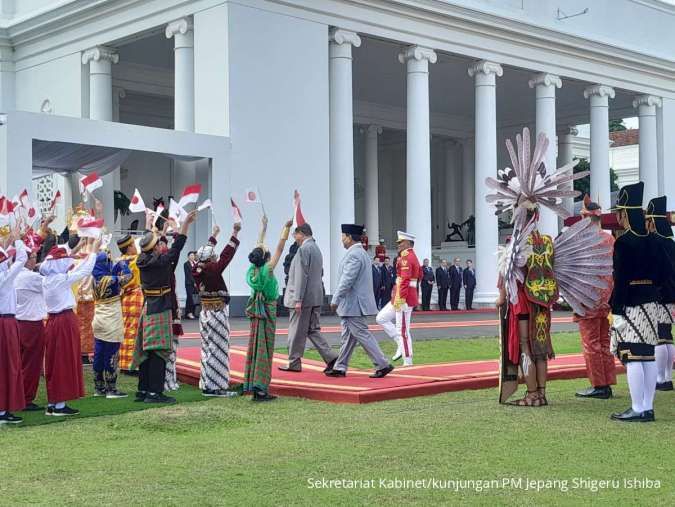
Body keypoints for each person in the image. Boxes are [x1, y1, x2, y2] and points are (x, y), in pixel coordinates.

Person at [609, 182, 663, 422]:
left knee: (631, 356)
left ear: (624, 213)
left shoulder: (624, 242)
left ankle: (637, 407)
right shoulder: (654, 239)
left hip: (631, 304)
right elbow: (666, 272)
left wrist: (616, 308)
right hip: (652, 302)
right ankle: (647, 407)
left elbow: (620, 279)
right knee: (648, 356)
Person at [132, 211, 195, 404]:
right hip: (159, 309)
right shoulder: (162, 262)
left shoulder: (141, 260)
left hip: (147, 307)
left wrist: (151, 225)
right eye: (159, 244)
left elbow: (156, 244)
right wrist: (185, 224)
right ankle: (154, 393)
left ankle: (143, 390)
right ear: (156, 248)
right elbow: (178, 246)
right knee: (159, 351)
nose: (162, 245)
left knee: (145, 351)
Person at [326, 224, 393, 378]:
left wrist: (335, 299)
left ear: (349, 237)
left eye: (343, 236)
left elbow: (347, 280)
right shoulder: (359, 253)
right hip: (354, 303)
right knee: (349, 336)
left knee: (361, 334)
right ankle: (340, 366)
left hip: (353, 303)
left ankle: (382, 364)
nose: (342, 239)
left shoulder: (354, 254)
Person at [41, 239, 98, 416]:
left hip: (53, 321)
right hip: (64, 321)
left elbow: (66, 257)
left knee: (54, 361)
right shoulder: (59, 279)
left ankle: (54, 402)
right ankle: (59, 405)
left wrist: (78, 247)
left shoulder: (47, 279)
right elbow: (85, 270)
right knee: (63, 361)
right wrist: (94, 250)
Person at [244, 216, 293, 401]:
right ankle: (261, 388)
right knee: (265, 347)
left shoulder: (253, 271)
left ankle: (254, 384)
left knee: (256, 346)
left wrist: (263, 226)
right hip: (268, 309)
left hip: (257, 309)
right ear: (265, 257)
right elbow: (280, 248)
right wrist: (285, 229)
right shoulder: (268, 269)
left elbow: (259, 244)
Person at [573, 197, 616, 399]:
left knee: (591, 344)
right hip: (607, 299)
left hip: (588, 299)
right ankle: (607, 382)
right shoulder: (611, 240)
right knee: (604, 343)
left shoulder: (583, 242)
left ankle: (599, 385)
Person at [280, 223, 337, 372]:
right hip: (315, 297)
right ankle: (331, 357)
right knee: (313, 330)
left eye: (295, 234)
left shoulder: (303, 249)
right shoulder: (316, 248)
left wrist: (298, 299)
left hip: (302, 299)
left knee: (296, 332)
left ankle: (294, 362)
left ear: (302, 233)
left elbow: (301, 276)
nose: (294, 238)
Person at [192, 223, 241, 397]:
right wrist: (234, 233)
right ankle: (216, 386)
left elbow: (205, 255)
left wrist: (214, 236)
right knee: (218, 349)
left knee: (206, 348)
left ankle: (206, 383)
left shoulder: (196, 268)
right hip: (217, 313)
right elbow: (227, 256)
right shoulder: (212, 269)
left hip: (204, 312)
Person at [375, 231, 420, 366]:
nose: (398, 245)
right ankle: (400, 344)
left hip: (403, 297)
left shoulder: (407, 257)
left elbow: (405, 280)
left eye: (401, 242)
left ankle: (407, 360)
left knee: (403, 330)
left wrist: (402, 298)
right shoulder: (409, 256)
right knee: (381, 318)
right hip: (400, 295)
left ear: (407, 243)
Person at [91, 251, 132, 398]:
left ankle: (99, 387)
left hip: (98, 319)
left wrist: (116, 266)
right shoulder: (111, 280)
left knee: (99, 354)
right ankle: (111, 389)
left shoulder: (93, 278)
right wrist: (123, 264)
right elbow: (128, 277)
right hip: (111, 320)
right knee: (112, 354)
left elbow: (112, 274)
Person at [645, 195, 675, 391]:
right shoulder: (670, 241)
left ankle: (661, 377)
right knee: (667, 335)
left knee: (659, 336)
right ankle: (667, 376)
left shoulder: (654, 241)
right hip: (671, 290)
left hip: (659, 291)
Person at [15, 247, 47, 412]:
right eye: (33, 257)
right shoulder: (32, 277)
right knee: (31, 363)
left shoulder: (14, 274)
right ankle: (26, 398)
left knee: (18, 363)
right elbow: (50, 283)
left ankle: (17, 395)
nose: (35, 260)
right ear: (26, 259)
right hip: (31, 323)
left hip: (18, 322)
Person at [0, 235, 28, 424]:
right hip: (6, 323)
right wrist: (18, 239)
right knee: (7, 366)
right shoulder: (5, 278)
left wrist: (8, 242)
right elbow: (22, 259)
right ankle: (2, 410)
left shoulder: (4, 276)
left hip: (6, 321)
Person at [116, 234, 143, 373]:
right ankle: (132, 365)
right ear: (128, 248)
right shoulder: (136, 260)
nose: (135, 247)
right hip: (135, 297)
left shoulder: (117, 261)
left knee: (125, 330)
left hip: (123, 298)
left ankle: (124, 362)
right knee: (135, 330)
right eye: (133, 245)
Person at [183, 251, 198, 319]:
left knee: (194, 298)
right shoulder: (186, 264)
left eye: (193, 255)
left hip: (196, 284)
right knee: (190, 297)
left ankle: (191, 312)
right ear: (188, 257)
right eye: (191, 255)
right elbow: (189, 275)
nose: (192, 256)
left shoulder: (196, 264)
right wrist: (194, 282)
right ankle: (189, 313)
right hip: (189, 283)